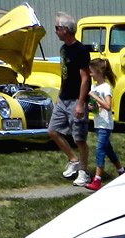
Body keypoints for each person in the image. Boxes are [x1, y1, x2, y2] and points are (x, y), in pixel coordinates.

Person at [47, 12, 92, 186]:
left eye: (57, 28)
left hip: (76, 100)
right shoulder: (63, 49)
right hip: (64, 98)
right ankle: (73, 160)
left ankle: (84, 172)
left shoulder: (80, 50)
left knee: (79, 139)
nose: (55, 31)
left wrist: (80, 104)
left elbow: (85, 78)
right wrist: (59, 95)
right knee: (52, 130)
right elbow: (64, 74)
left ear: (66, 30)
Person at [85, 58, 125, 191]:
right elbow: (97, 106)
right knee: (108, 149)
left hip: (105, 124)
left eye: (91, 72)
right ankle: (121, 170)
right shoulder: (94, 87)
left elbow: (108, 106)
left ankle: (97, 180)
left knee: (100, 150)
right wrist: (91, 106)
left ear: (98, 71)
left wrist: (95, 97)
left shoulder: (106, 87)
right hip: (98, 122)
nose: (90, 74)